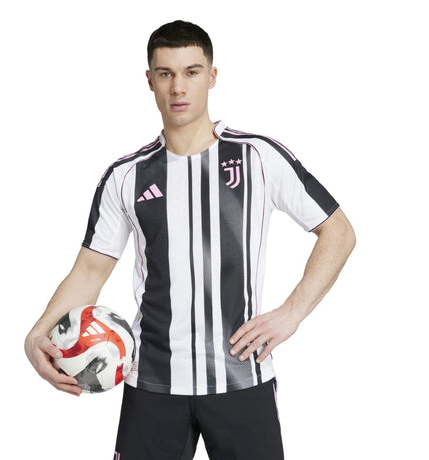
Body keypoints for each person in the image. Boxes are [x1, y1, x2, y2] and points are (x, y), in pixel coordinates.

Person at [25, 20, 356, 460]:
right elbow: (89, 271)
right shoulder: (125, 176)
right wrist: (37, 334)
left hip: (241, 378)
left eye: (191, 72)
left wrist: (291, 313)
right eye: (165, 73)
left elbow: (338, 231)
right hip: (152, 381)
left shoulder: (257, 156)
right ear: (150, 81)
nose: (178, 87)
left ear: (212, 76)